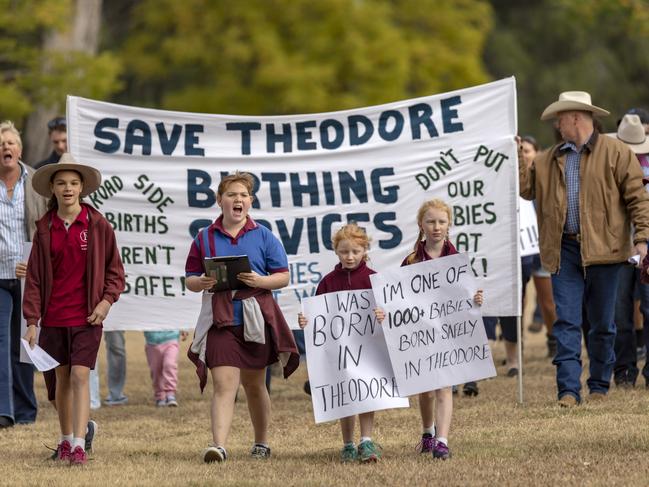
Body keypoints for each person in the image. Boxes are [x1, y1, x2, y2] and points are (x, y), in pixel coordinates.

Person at [519, 91, 649, 407]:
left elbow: (637, 199)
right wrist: (518, 159)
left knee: (604, 324)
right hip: (563, 249)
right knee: (567, 320)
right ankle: (567, 390)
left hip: (607, 250)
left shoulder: (617, 152)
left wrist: (642, 239)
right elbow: (525, 190)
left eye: (559, 118)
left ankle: (599, 385)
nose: (556, 125)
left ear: (576, 117)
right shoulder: (547, 159)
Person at [185, 171, 299, 463]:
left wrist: (260, 281)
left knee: (254, 384)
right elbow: (189, 278)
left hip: (255, 320)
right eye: (231, 194)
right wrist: (200, 282)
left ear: (250, 201)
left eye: (243, 195)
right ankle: (218, 446)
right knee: (224, 385)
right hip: (220, 320)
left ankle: (261, 442)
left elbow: (283, 277)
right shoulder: (204, 237)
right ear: (220, 200)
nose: (238, 199)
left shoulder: (263, 235)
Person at [22, 153, 125, 465]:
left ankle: (79, 445)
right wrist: (31, 320)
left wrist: (106, 302)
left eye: (73, 183)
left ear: (82, 188)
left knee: (80, 375)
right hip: (53, 318)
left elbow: (115, 273)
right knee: (60, 385)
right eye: (61, 183)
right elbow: (36, 278)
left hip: (87, 317)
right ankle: (65, 439)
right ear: (52, 189)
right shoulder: (44, 228)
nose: (67, 188)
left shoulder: (98, 225)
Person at [399, 198, 483, 460]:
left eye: (441, 222)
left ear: (449, 225)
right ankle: (428, 433)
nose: (436, 227)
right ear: (421, 225)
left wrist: (476, 300)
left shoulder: (457, 260)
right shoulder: (411, 260)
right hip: (422, 333)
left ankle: (442, 441)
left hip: (448, 333)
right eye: (431, 221)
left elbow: (465, 297)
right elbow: (400, 297)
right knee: (425, 389)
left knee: (444, 386)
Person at [297, 223, 383, 463]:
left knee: (367, 392)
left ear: (365, 250)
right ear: (336, 251)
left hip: (367, 349)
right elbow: (317, 316)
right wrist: (306, 320)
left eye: (355, 251)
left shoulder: (374, 279)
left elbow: (386, 311)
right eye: (345, 251)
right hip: (339, 352)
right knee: (345, 396)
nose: (350, 256)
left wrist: (381, 315)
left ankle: (366, 441)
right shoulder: (328, 281)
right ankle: (348, 445)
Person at [0, 121, 47, 428]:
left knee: (25, 344)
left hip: (27, 276)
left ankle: (26, 411)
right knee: (1, 340)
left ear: (20, 149)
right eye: (1, 143)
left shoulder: (35, 183)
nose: (6, 147)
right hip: (0, 276)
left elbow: (45, 229)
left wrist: (34, 263)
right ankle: (5, 411)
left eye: (11, 143)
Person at [607, 114, 649, 388]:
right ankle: (624, 370)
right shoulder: (608, 168)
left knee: (647, 307)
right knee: (620, 312)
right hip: (618, 245)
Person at [520, 135, 558, 358]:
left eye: (528, 150)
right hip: (520, 247)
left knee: (547, 300)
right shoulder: (511, 179)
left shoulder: (543, 177)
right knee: (520, 297)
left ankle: (553, 340)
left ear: (537, 152)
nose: (524, 154)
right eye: (521, 150)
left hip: (541, 245)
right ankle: (518, 341)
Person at [144, 329, 188, 406]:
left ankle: (170, 394)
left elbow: (177, 316)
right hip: (152, 342)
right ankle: (160, 396)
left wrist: (183, 327)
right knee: (155, 371)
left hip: (171, 339)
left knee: (170, 364)